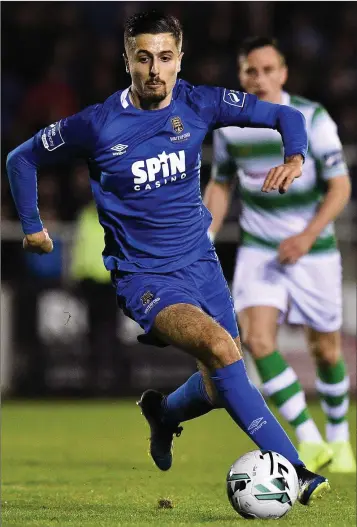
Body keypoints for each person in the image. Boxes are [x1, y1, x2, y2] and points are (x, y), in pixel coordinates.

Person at [7, 11, 329, 505]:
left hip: (201, 264)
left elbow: (287, 116)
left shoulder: (199, 103)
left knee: (221, 382)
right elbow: (20, 158)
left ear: (180, 59)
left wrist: (295, 156)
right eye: (143, 58)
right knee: (222, 351)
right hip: (144, 277)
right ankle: (298, 470)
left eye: (164, 57)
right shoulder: (97, 125)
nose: (154, 69)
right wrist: (31, 225)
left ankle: (164, 414)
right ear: (127, 61)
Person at [204, 36, 355, 474]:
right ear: (241, 75)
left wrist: (307, 237)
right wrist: (207, 235)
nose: (261, 78)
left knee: (326, 351)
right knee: (256, 340)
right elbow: (221, 184)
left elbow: (341, 187)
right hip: (259, 250)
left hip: (314, 252)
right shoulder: (231, 126)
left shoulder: (312, 118)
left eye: (269, 70)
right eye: (252, 70)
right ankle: (309, 440)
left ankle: (340, 440)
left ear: (283, 73)